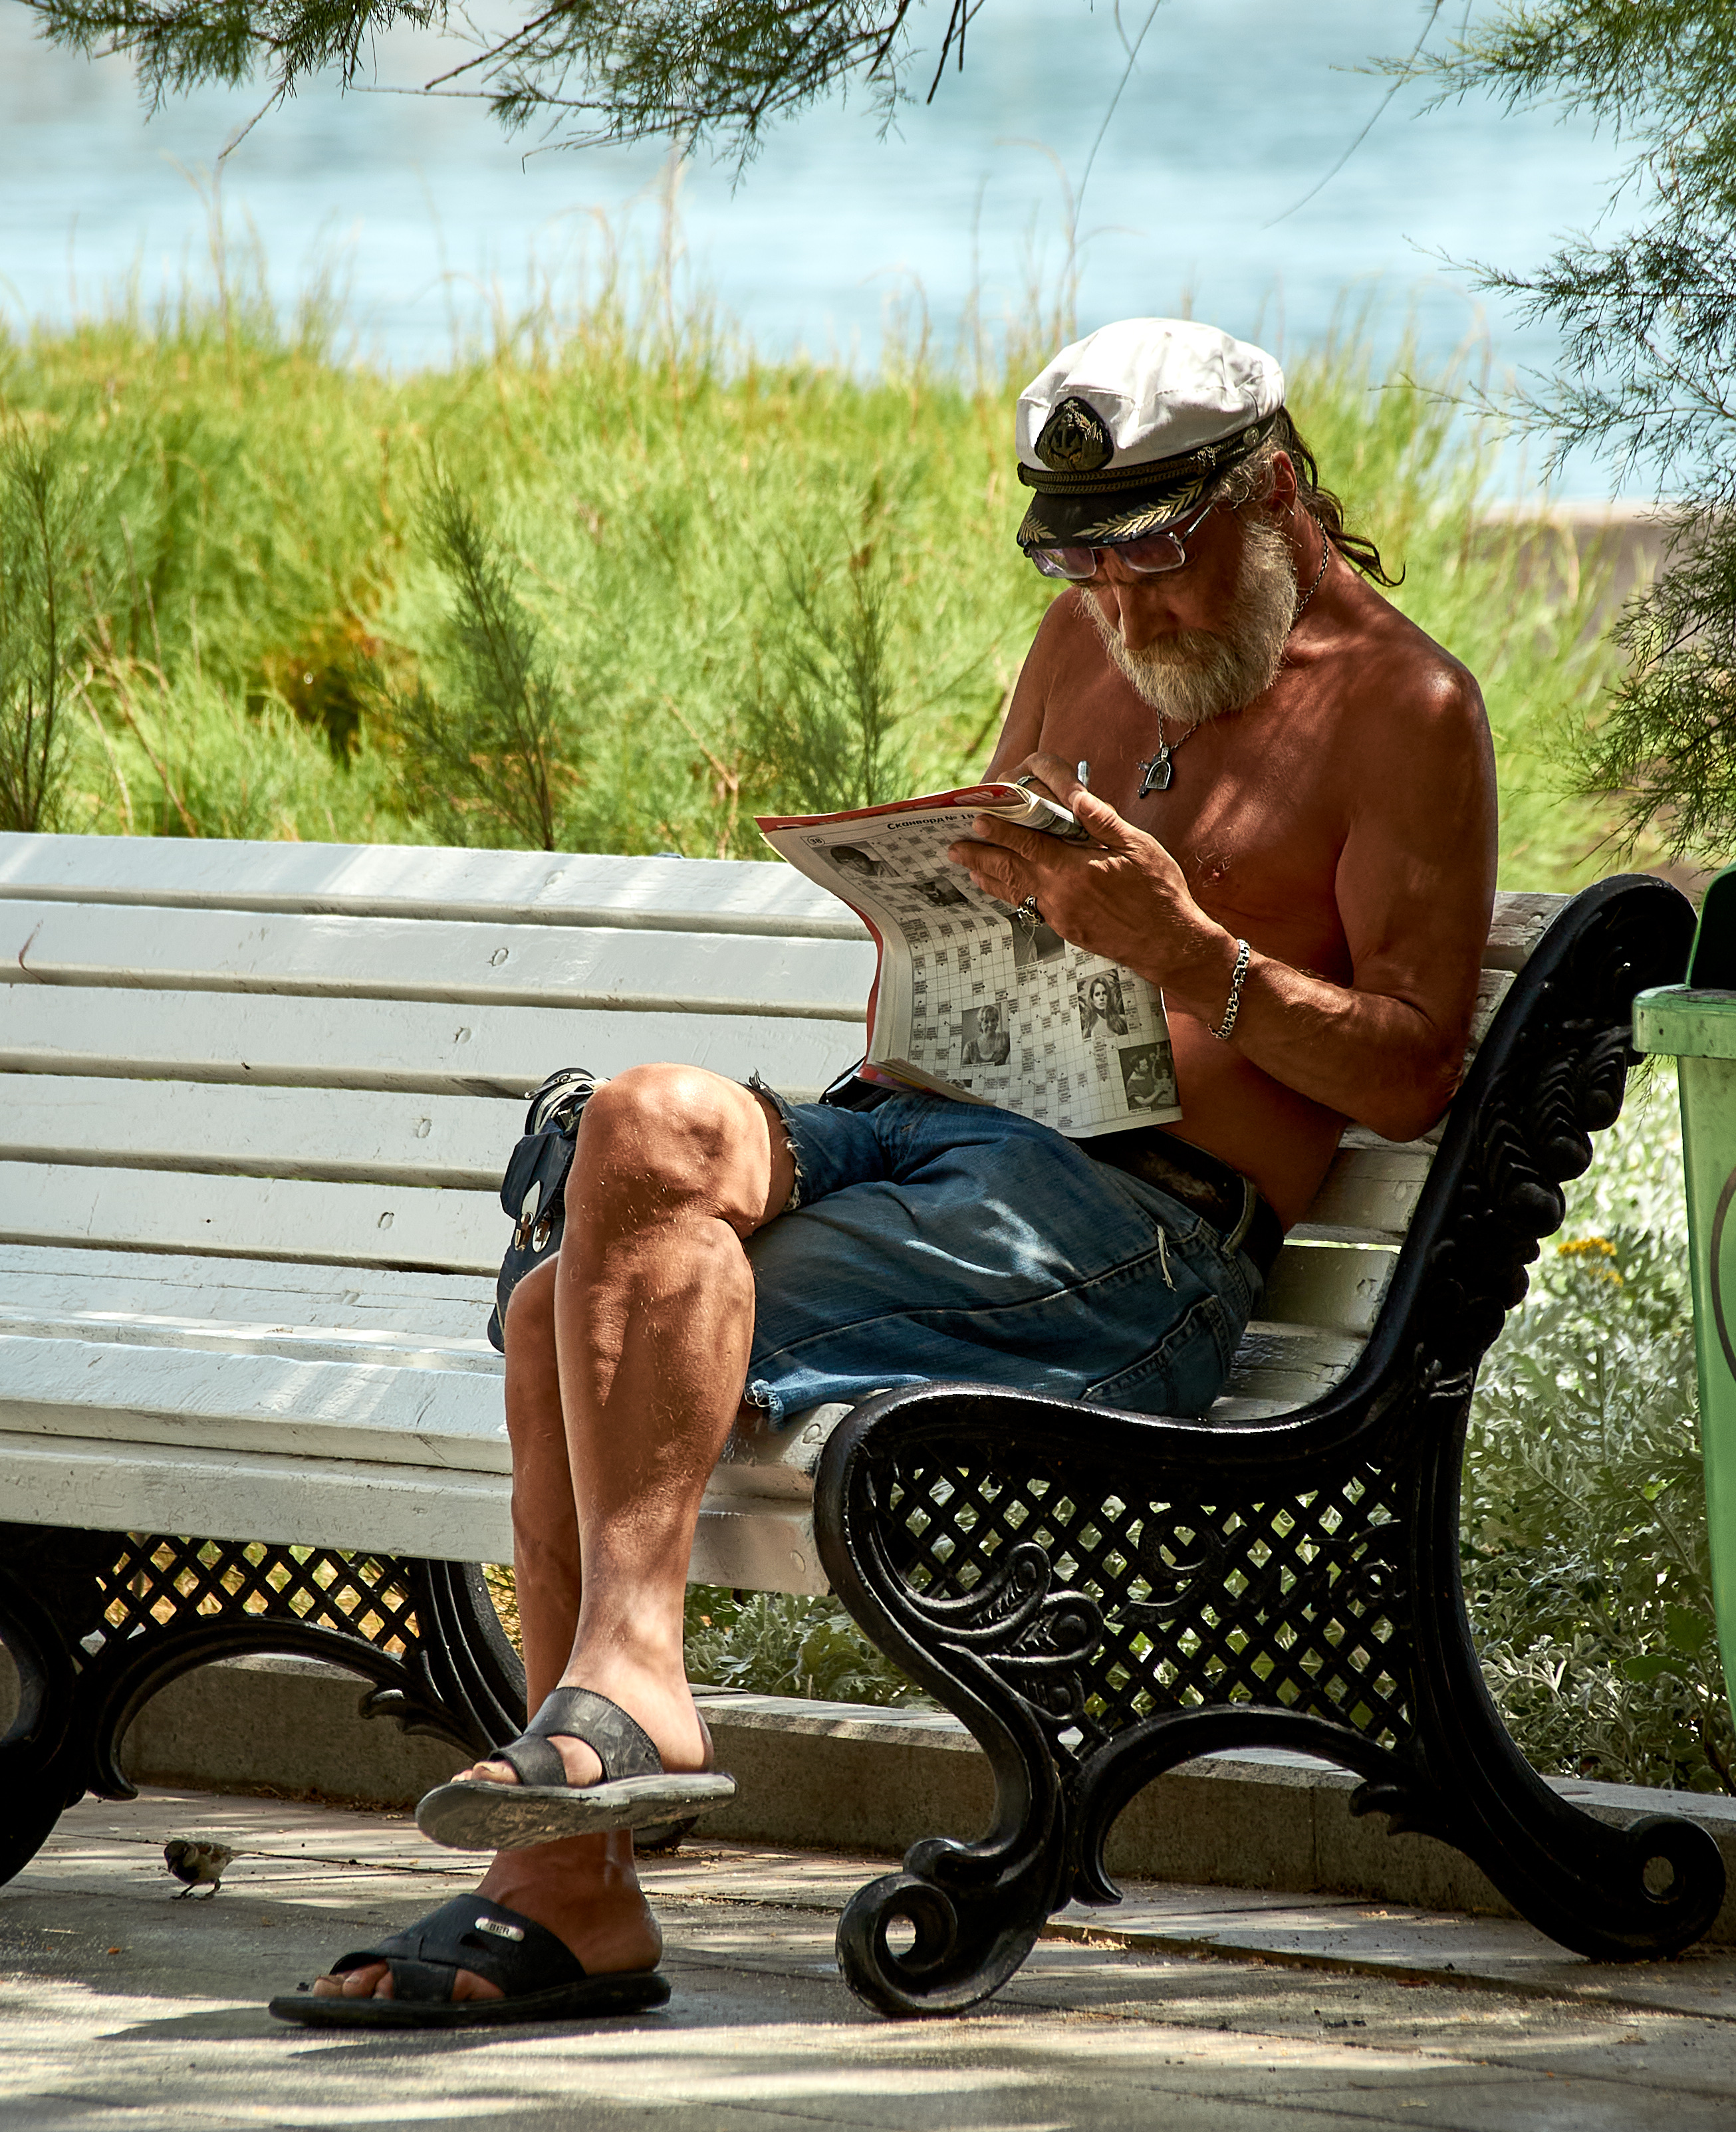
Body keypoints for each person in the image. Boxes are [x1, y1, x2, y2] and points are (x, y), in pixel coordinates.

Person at [274, 316, 1495, 2028]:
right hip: (941, 1123)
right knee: (640, 1122)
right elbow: (993, 925)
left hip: (1138, 1237)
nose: (1124, 615)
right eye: (1083, 568)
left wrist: (1192, 954)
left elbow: (1419, 1063)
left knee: (570, 1303)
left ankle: (565, 1890)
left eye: (1155, 564)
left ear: (1270, 490)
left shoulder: (1409, 709)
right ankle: (626, 1717)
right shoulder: (1085, 641)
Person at [1079, 972, 1130, 1038]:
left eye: (1104, 993)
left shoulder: (1123, 1020)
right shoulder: (1089, 1031)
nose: (1102, 998)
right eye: (1097, 994)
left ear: (1108, 996)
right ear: (1092, 999)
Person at [960, 1002, 1012, 1066]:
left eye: (993, 1020)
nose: (990, 1025)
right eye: (986, 1022)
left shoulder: (1006, 1037)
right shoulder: (970, 1047)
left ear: (997, 1021)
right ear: (980, 1024)